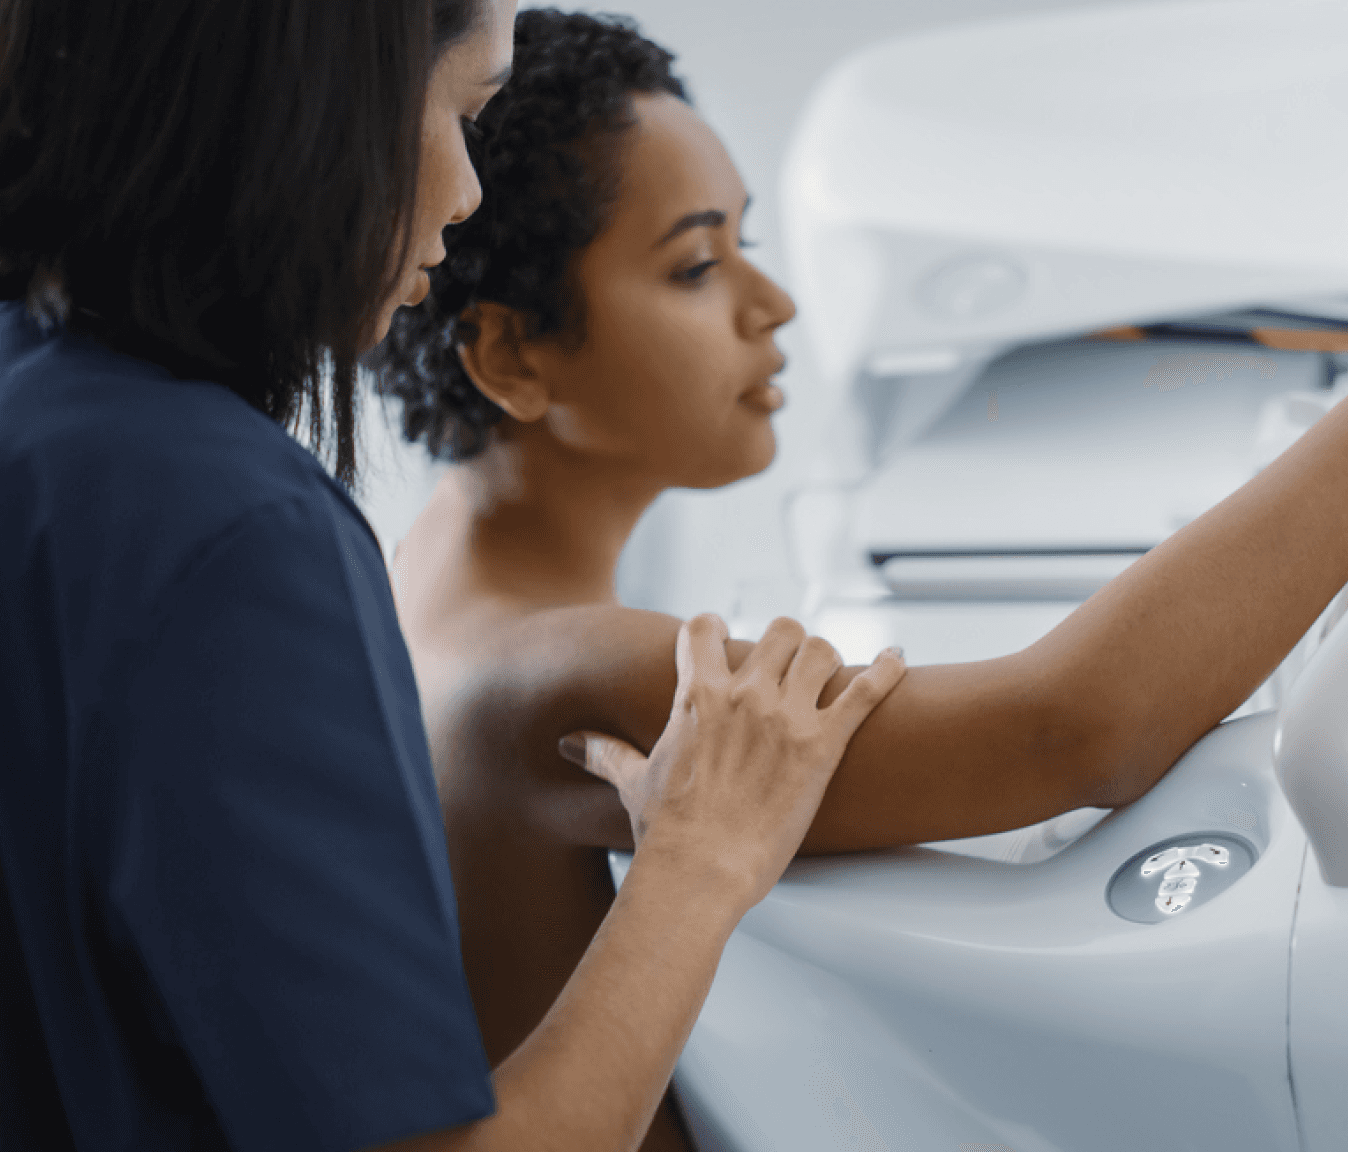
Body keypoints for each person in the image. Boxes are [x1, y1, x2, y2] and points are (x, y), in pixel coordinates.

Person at [373, 8, 1348, 1145]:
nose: (772, 306)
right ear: (511, 358)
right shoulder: (549, 673)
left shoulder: (422, 601)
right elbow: (1079, 726)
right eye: (698, 265)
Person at [0, 1, 906, 1149]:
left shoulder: (47, 415)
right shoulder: (231, 533)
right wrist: (700, 859)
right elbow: (1074, 723)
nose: (467, 191)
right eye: (463, 111)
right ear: (313, 103)